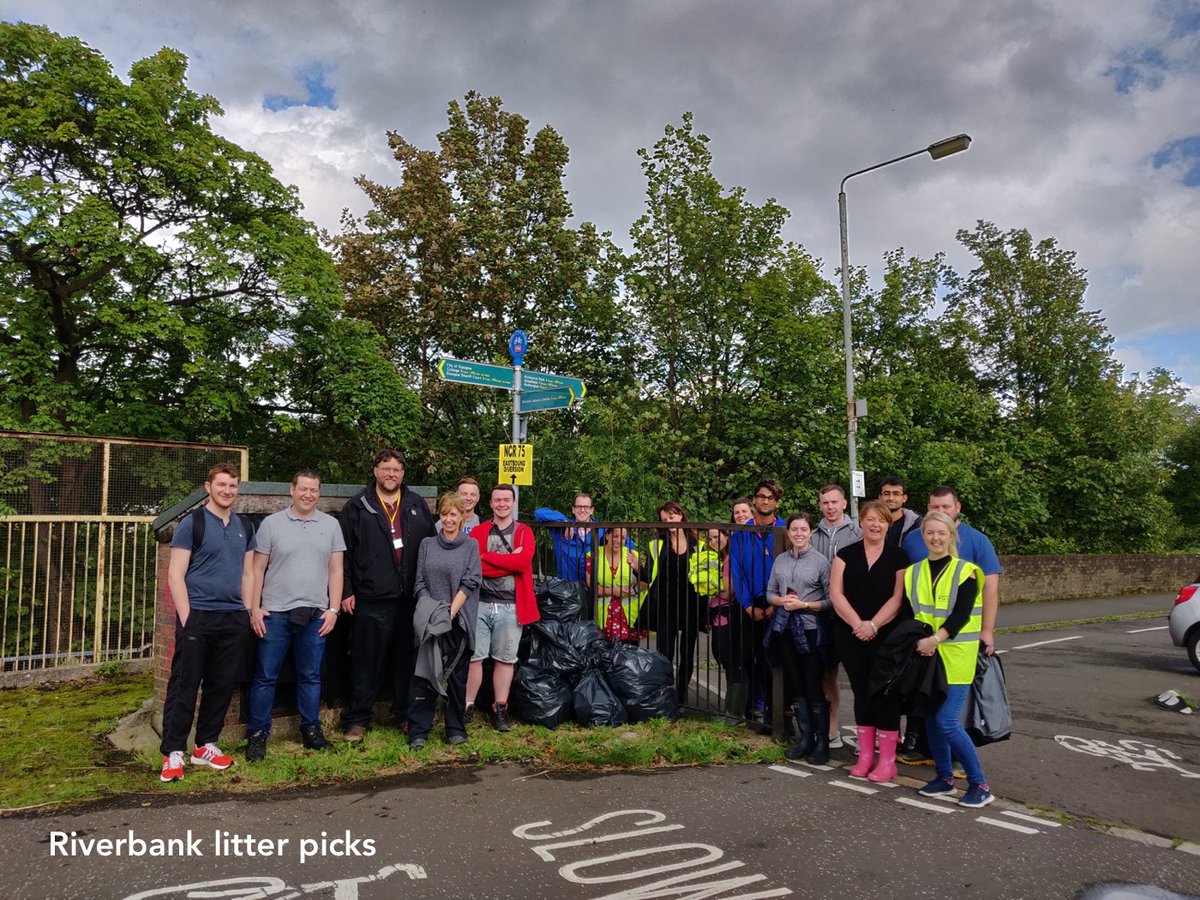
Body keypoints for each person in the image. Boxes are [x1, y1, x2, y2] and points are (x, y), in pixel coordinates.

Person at [159, 463, 256, 782]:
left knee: (221, 684)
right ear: (208, 487)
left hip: (232, 618)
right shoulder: (193, 522)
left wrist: (246, 610)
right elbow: (176, 574)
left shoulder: (245, 526)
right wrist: (188, 619)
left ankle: (205, 745)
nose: (227, 490)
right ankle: (174, 752)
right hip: (198, 614)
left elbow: (247, 573)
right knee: (185, 685)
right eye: (222, 484)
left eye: (233, 485)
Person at [245, 470, 345, 761]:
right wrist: (254, 608)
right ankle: (257, 734)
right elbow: (256, 570)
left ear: (319, 493)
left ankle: (311, 730)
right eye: (303, 489)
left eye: (313, 490)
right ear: (292, 490)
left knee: (311, 676)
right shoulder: (271, 525)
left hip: (316, 615)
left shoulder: (331, 526)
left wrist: (334, 609)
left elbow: (336, 570)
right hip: (275, 614)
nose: (308, 495)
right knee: (265, 677)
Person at [900, 486, 1002, 767]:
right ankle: (942, 777)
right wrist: (919, 642)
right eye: (930, 530)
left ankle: (977, 783)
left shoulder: (969, 563)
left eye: (946, 508)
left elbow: (971, 606)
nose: (936, 536)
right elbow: (912, 607)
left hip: (956, 654)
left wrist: (987, 630)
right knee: (932, 719)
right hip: (926, 654)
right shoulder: (914, 565)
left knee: (948, 721)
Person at [338, 449, 435, 741]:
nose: (391, 474)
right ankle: (357, 719)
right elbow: (342, 554)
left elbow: (431, 549)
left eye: (396, 469)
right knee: (366, 660)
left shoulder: (417, 504)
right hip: (371, 597)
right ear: (375, 471)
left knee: (407, 660)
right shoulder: (358, 506)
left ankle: (405, 714)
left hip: (410, 598)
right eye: (385, 468)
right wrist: (346, 589)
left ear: (403, 473)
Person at [829, 500, 909, 782]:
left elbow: (898, 598)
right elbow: (836, 594)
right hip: (850, 634)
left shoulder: (900, 557)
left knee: (885, 693)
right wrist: (858, 624)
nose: (875, 524)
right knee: (861, 692)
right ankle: (865, 756)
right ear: (860, 522)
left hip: (885, 635)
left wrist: (873, 624)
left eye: (882, 520)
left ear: (888, 524)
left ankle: (887, 761)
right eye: (870, 519)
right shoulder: (845, 555)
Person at [407, 493, 482, 749]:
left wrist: (450, 612)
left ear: (462, 517)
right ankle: (419, 730)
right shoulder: (427, 544)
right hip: (430, 620)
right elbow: (418, 582)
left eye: (454, 514)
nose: (448, 519)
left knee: (457, 676)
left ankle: (455, 728)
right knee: (424, 674)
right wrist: (433, 611)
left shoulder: (470, 545)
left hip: (458, 620)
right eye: (444, 514)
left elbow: (471, 581)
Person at [468, 484, 539, 731]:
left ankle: (500, 708)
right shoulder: (478, 531)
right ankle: (466, 706)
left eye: (506, 500)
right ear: (490, 503)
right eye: (497, 500)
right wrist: (506, 562)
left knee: (505, 659)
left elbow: (522, 563)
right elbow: (473, 567)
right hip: (480, 603)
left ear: (513, 502)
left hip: (511, 605)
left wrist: (487, 557)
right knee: (474, 657)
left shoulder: (524, 532)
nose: (502, 504)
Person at [765, 512, 833, 764]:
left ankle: (822, 742)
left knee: (812, 683)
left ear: (811, 532)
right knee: (795, 683)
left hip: (810, 629)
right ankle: (805, 738)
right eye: (794, 529)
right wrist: (780, 601)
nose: (799, 534)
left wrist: (804, 604)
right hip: (785, 629)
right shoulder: (780, 560)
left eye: (803, 529)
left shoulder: (820, 562)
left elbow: (830, 601)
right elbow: (770, 591)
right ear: (788, 532)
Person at [730, 481, 785, 728]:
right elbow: (736, 570)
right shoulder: (742, 531)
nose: (765, 501)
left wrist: (775, 604)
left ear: (776, 502)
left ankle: (774, 711)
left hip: (776, 604)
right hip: (749, 604)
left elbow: (790, 569)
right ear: (755, 500)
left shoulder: (784, 529)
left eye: (770, 498)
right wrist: (747, 604)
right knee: (749, 657)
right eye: (761, 496)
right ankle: (752, 708)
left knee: (774, 659)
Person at [810, 484, 861, 750]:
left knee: (858, 674)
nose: (830, 507)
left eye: (834, 502)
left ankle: (868, 732)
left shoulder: (858, 533)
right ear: (820, 505)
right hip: (822, 613)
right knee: (827, 674)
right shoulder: (812, 535)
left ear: (843, 504)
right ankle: (831, 728)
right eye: (825, 503)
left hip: (852, 613)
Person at [639, 501, 702, 705]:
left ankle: (682, 696)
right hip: (666, 605)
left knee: (687, 653)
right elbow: (649, 576)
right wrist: (635, 568)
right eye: (665, 519)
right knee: (665, 652)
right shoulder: (656, 544)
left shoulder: (699, 545)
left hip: (690, 604)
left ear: (681, 516)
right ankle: (665, 693)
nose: (669, 521)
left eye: (672, 517)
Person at [694, 524, 739, 721]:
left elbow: (727, 591)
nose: (714, 541)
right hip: (717, 615)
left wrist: (704, 586)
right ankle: (731, 709)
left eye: (717, 537)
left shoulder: (728, 560)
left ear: (727, 536)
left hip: (727, 616)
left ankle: (734, 711)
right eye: (710, 538)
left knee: (730, 661)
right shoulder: (715, 559)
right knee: (724, 659)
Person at [586, 525, 646, 643]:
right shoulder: (593, 555)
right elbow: (591, 586)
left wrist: (634, 590)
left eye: (623, 538)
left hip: (630, 615)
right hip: (605, 615)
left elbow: (644, 582)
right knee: (607, 653)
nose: (619, 540)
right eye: (615, 536)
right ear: (607, 535)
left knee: (630, 655)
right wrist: (613, 591)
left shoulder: (633, 554)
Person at [534, 492, 597, 581]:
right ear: (573, 509)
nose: (582, 510)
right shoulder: (561, 529)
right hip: (567, 589)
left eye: (586, 507)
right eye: (578, 506)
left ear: (592, 510)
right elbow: (539, 513)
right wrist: (565, 522)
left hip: (593, 588)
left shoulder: (601, 531)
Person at [879, 477, 922, 547]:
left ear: (904, 498)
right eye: (886, 494)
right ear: (880, 497)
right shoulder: (870, 525)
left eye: (896, 494)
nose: (891, 498)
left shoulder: (917, 526)